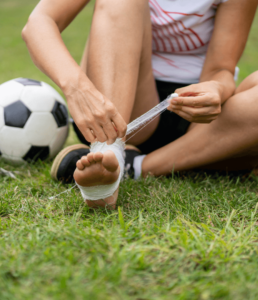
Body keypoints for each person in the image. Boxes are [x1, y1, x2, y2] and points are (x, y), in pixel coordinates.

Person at [22, 0, 258, 209]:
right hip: (123, 108)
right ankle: (109, 152)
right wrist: (76, 87)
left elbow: (221, 69)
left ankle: (135, 167)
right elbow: (39, 23)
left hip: (197, 122)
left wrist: (215, 88)